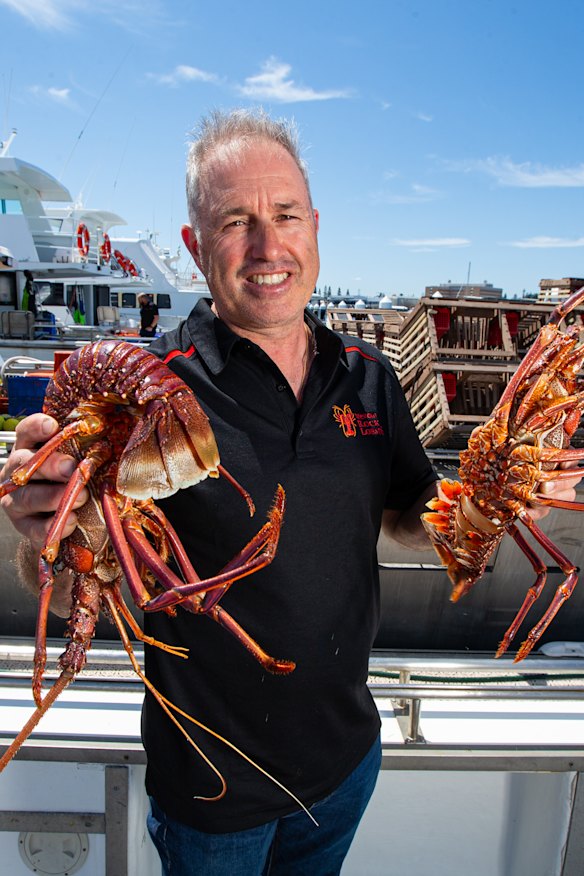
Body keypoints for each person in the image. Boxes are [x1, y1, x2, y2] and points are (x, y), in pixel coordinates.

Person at [0, 109, 580, 876]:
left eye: (285, 216)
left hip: (346, 763)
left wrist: (485, 508)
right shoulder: (145, 397)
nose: (268, 248)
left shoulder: (369, 376)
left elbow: (408, 520)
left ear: (315, 226)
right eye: (237, 221)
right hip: (213, 795)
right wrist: (40, 529)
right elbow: (69, 566)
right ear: (194, 246)